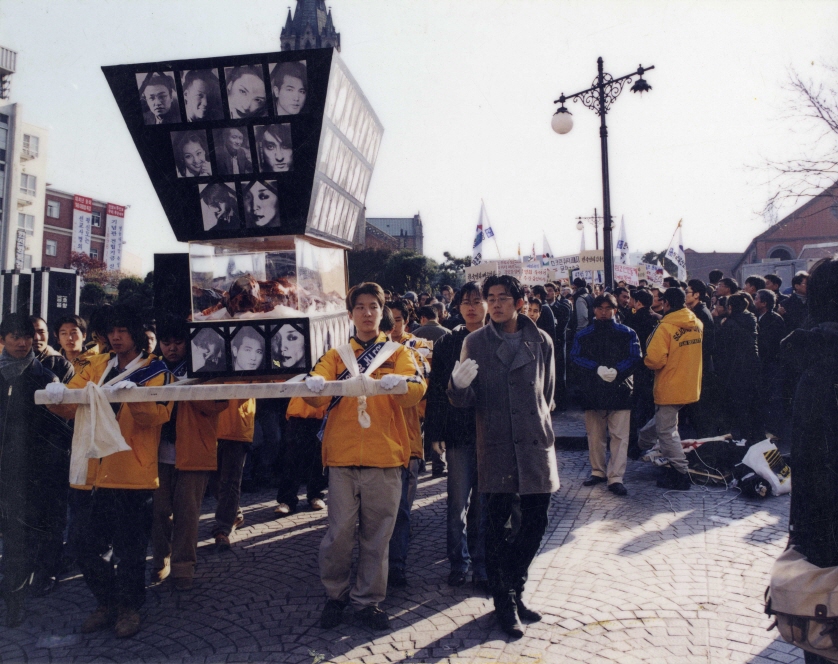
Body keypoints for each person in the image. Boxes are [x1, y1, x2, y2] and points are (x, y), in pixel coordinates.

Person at [303, 282, 426, 632]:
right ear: (350, 313)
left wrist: (399, 385)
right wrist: (313, 385)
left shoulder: (399, 353)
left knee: (377, 537)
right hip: (342, 457)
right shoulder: (336, 355)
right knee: (338, 534)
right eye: (360, 307)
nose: (367, 313)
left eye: (373, 306)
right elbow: (315, 389)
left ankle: (368, 601)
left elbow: (417, 389)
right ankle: (336, 596)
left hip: (385, 456)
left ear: (382, 311)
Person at [46, 305, 174, 638]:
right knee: (82, 544)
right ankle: (107, 602)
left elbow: (157, 416)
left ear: (137, 333)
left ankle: (129, 608)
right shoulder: (97, 364)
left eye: (123, 330)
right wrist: (54, 396)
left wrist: (137, 399)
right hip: (92, 473)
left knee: (130, 550)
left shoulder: (157, 370)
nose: (116, 337)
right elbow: (70, 404)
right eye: (111, 331)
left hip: (133, 473)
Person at [448, 275, 558, 639]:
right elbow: (464, 400)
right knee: (496, 527)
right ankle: (505, 601)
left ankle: (514, 586)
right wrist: (457, 386)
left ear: (520, 302)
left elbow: (547, 392)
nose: (495, 304)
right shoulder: (475, 342)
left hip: (534, 442)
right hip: (496, 442)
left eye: (503, 298)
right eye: (490, 298)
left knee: (535, 521)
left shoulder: (541, 340)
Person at [0, 313, 71, 627]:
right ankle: (14, 596)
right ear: (3, 340)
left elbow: (61, 427)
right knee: (13, 536)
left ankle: (35, 582)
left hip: (41, 470)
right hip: (6, 470)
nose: (21, 342)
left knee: (37, 531)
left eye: (26, 336)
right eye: (14, 336)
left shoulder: (46, 378)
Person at [150, 317, 227, 591]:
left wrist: (186, 387)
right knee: (158, 511)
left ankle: (183, 567)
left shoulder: (205, 367)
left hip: (194, 450)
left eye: (178, 342)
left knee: (187, 513)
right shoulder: (151, 369)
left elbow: (219, 403)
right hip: (156, 452)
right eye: (166, 342)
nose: (172, 348)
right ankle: (161, 559)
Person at [425, 282, 489, 590]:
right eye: (466, 302)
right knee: (457, 503)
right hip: (457, 432)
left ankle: (481, 564)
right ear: (458, 306)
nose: (472, 307)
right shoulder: (448, 342)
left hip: (491, 433)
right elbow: (437, 391)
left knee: (484, 505)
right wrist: (435, 432)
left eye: (477, 301)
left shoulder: (496, 338)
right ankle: (458, 562)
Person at [570, 293, 641, 496]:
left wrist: (618, 371)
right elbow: (574, 357)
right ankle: (598, 471)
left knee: (620, 436)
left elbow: (635, 357)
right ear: (594, 310)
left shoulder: (628, 332)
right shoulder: (584, 334)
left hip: (621, 389)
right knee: (595, 435)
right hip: (593, 390)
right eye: (600, 308)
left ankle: (616, 477)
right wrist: (596, 368)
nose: (603, 312)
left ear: (615, 310)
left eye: (608, 308)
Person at [385, 301, 432, 588]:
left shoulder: (416, 348)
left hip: (408, 434)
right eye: (388, 321)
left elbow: (424, 385)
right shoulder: (367, 351)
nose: (393, 327)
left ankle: (396, 566)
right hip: (379, 439)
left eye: (398, 320)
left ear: (406, 321)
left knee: (402, 506)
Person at [637, 288, 703, 491]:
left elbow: (654, 360)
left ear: (666, 303)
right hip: (690, 383)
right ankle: (641, 443)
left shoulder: (665, 327)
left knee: (666, 431)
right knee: (663, 421)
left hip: (670, 384)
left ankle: (681, 473)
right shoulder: (696, 322)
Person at [716, 293, 761, 442]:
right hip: (752, 364)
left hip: (734, 367)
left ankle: (742, 436)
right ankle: (754, 434)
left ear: (730, 307)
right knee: (751, 402)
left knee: (737, 403)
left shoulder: (728, 323)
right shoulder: (751, 318)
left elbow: (722, 348)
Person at [212, 398, 256, 550]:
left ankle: (223, 529)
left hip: (237, 426)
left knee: (229, 482)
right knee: (214, 481)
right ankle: (234, 514)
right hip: (211, 425)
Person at [274, 397, 328, 516]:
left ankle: (315, 495)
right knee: (292, 458)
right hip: (297, 413)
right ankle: (287, 500)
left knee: (317, 458)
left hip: (320, 414)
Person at [755, 288, 785, 438]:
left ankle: (775, 430)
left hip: (771, 364)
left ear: (764, 303)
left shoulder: (774, 319)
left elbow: (770, 344)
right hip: (763, 364)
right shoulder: (759, 317)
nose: (754, 301)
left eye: (757, 299)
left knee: (773, 398)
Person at [780, 271, 809, 335]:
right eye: (806, 283)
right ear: (797, 286)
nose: (809, 286)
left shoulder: (814, 301)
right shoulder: (785, 303)